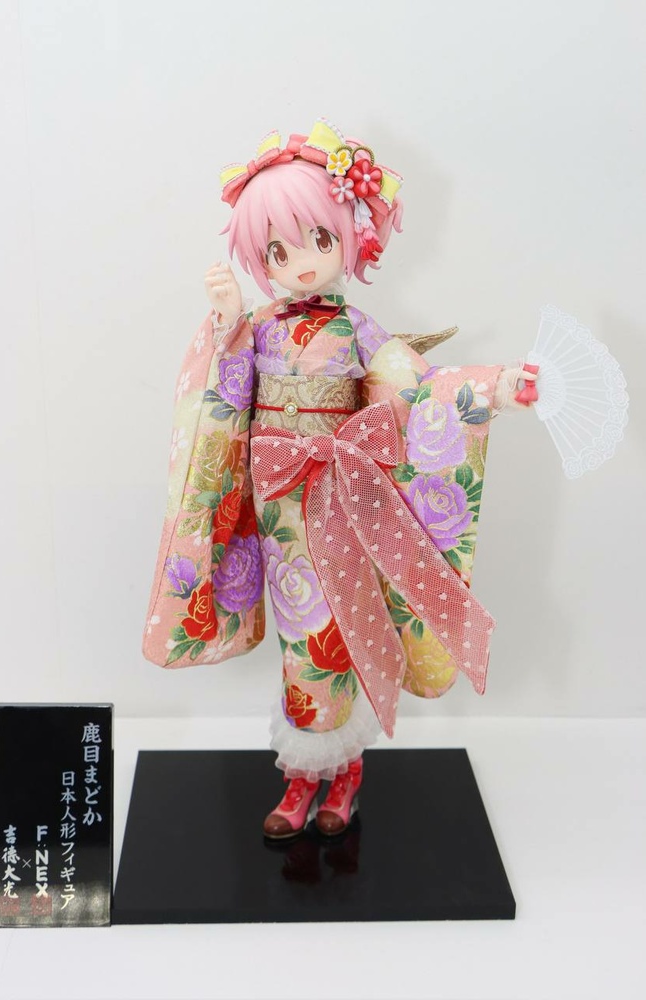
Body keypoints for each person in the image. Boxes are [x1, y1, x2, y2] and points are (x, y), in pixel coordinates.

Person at [143, 119, 535, 839]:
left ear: (349, 235)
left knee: (343, 625)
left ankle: (344, 773)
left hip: (345, 498)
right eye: (277, 251)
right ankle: (301, 777)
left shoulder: (358, 331)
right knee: (301, 630)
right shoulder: (260, 327)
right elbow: (222, 392)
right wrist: (226, 321)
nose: (300, 263)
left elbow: (419, 391)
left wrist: (494, 388)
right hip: (281, 504)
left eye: (318, 240)